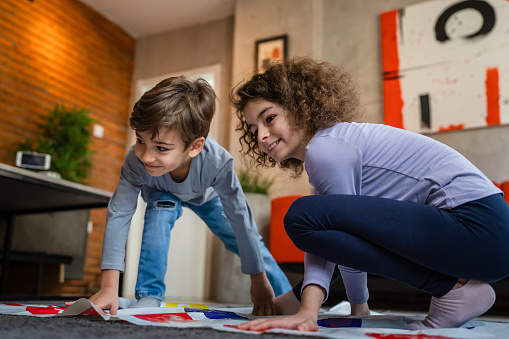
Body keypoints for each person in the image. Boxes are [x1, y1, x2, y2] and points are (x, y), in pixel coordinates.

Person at [229, 56, 509, 331]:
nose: (261, 136)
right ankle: (294, 301)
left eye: (270, 118)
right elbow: (336, 242)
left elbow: (325, 235)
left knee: (301, 214)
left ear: (301, 107)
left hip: (478, 225)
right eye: (254, 130)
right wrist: (355, 307)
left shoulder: (325, 149)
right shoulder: (333, 145)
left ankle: (451, 288)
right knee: (318, 219)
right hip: (488, 239)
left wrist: (321, 311)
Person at [67, 76, 291, 315]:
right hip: (161, 192)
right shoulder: (135, 161)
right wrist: (109, 287)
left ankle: (286, 294)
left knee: (245, 238)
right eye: (140, 141)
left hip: (207, 197)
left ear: (195, 147)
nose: (146, 156)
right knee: (160, 212)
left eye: (161, 148)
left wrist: (257, 280)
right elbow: (119, 213)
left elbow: (240, 218)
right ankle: (149, 296)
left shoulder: (217, 163)